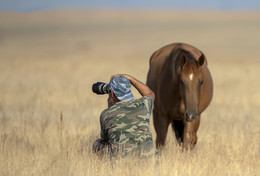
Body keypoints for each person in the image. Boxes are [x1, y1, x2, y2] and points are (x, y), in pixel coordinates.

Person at [92, 74, 156, 159]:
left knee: (98, 144)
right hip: (149, 161)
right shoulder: (143, 105)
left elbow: (107, 139)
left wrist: (110, 104)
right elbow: (150, 93)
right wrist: (130, 78)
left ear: (111, 92)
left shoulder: (106, 114)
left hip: (122, 163)